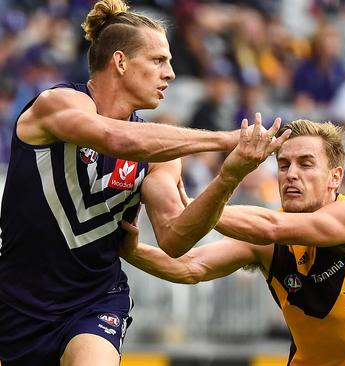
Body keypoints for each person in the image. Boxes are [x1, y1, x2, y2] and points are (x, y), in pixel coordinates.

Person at [0, 1, 290, 365]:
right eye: (158, 61)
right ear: (120, 62)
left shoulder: (161, 150)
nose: (170, 73)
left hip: (95, 300)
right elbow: (116, 140)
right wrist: (226, 139)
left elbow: (174, 237)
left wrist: (229, 176)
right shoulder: (56, 103)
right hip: (18, 302)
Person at [121, 119, 345, 366]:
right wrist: (130, 250)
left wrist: (197, 207)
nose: (291, 174)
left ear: (335, 177)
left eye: (306, 163)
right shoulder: (267, 243)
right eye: (284, 164)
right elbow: (190, 266)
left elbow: (271, 226)